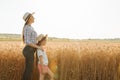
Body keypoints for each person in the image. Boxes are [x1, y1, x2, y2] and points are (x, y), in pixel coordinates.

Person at [22, 12, 42, 80]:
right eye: (33, 17)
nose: (34, 18)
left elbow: (32, 40)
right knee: (29, 70)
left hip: (30, 50)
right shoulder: (27, 27)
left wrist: (40, 38)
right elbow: (27, 41)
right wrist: (38, 47)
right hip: (28, 50)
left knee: (29, 69)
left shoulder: (30, 27)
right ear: (29, 18)